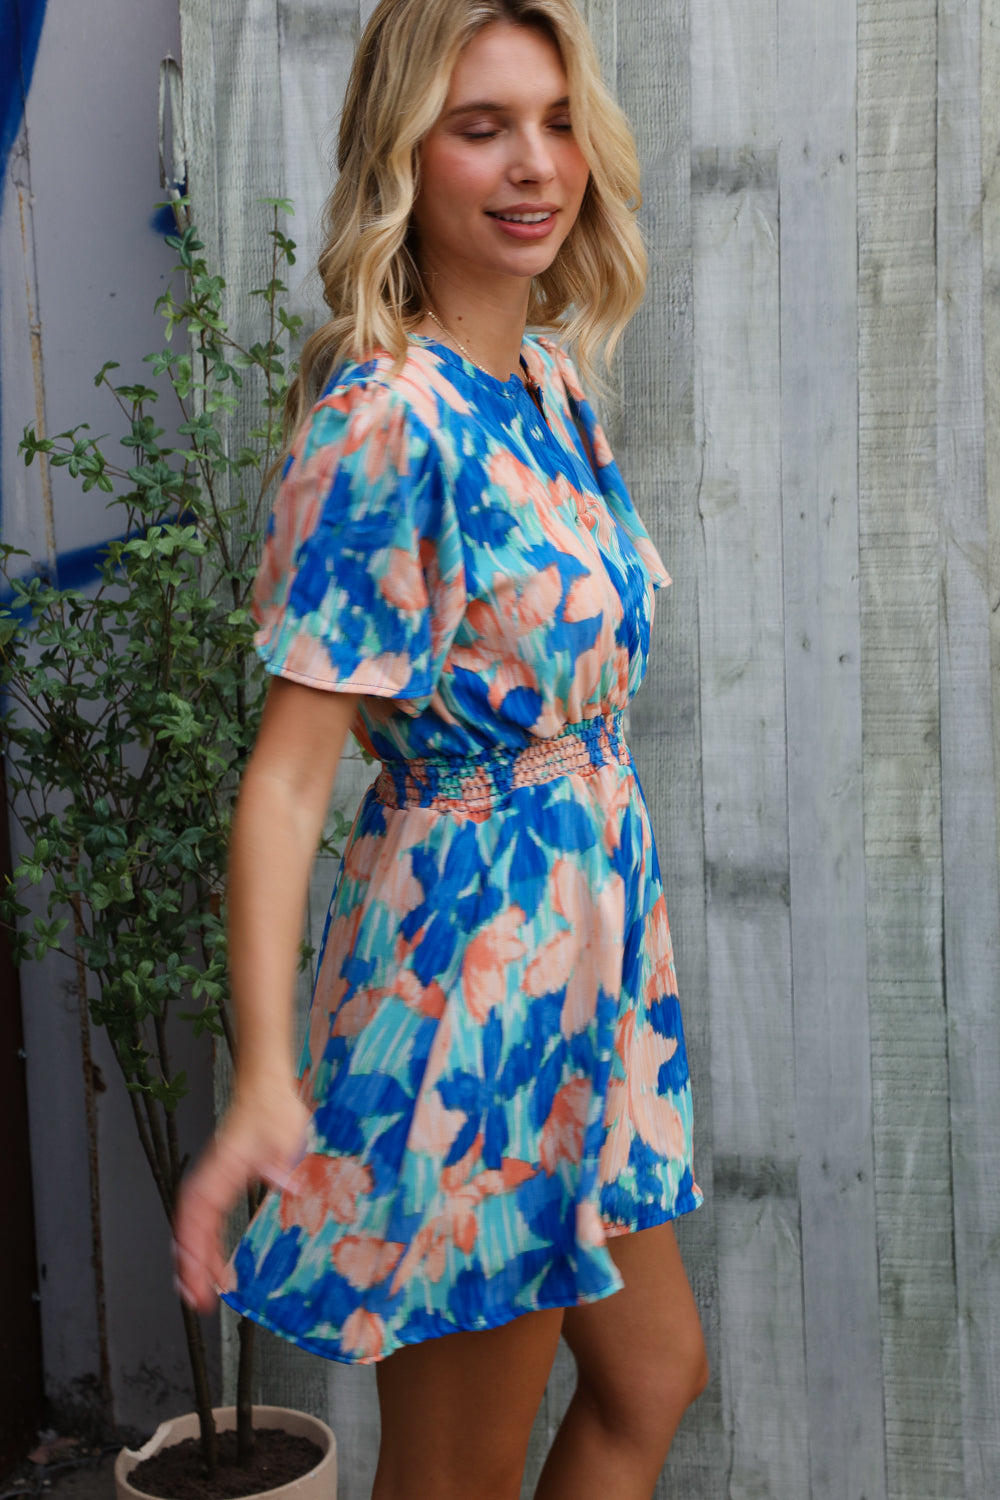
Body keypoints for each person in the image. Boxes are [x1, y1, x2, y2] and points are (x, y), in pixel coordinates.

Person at [172, 1, 708, 1495]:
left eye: (557, 122)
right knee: (457, 1477)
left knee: (651, 1376)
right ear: (405, 157)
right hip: (474, 994)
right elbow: (289, 780)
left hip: (592, 981)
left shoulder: (546, 387)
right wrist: (265, 1072)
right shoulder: (384, 422)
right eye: (483, 128)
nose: (536, 163)